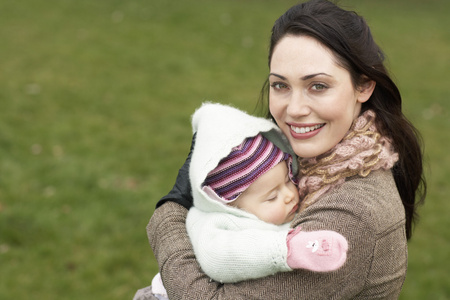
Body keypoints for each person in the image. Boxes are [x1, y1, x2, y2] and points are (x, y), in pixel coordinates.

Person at [142, 0, 426, 299]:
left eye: (318, 86)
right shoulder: (299, 161)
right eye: (280, 85)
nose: (294, 109)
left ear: (364, 87)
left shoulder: (350, 216)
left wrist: (170, 213)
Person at [141, 103, 348, 300]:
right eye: (272, 196)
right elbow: (219, 257)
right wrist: (286, 249)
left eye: (288, 180)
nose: (289, 195)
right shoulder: (212, 223)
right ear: (230, 205)